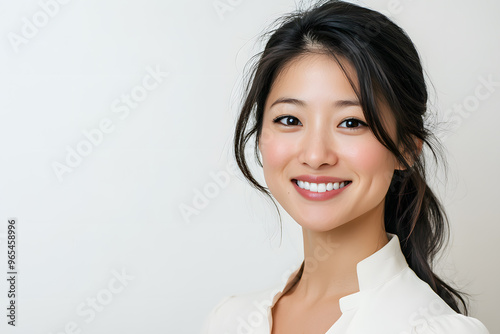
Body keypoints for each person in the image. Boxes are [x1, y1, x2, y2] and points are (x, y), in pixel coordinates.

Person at [202, 0, 490, 333]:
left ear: (406, 149)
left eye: (351, 123)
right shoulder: (228, 320)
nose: (315, 155)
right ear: (260, 135)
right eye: (290, 119)